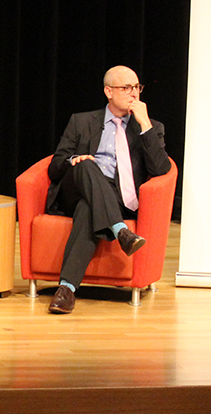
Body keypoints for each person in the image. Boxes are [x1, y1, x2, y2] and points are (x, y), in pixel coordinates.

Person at [44, 65, 171, 314]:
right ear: (108, 91)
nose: (134, 94)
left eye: (137, 87)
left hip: (119, 196)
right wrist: (74, 161)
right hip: (78, 185)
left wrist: (143, 123)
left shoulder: (151, 127)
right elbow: (55, 166)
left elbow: (161, 170)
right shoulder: (81, 121)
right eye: (126, 88)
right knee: (87, 165)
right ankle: (120, 231)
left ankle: (66, 289)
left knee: (87, 209)